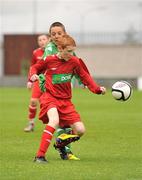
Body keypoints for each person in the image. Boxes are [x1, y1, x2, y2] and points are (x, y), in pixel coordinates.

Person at [28, 34, 106, 163]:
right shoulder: (49, 60)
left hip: (65, 101)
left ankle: (60, 145)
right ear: (60, 48)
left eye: (73, 51)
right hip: (50, 97)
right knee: (54, 120)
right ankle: (40, 156)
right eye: (69, 51)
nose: (71, 54)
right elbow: (35, 67)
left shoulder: (74, 62)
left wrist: (97, 89)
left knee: (80, 130)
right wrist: (33, 75)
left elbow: (85, 77)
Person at [24, 34, 50, 132]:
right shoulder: (36, 53)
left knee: (49, 104)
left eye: (44, 39)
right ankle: (31, 124)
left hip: (51, 82)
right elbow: (32, 67)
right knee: (33, 101)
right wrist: (30, 80)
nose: (42, 41)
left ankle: (57, 125)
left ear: (48, 40)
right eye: (40, 40)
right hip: (39, 80)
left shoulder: (54, 51)